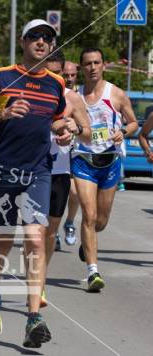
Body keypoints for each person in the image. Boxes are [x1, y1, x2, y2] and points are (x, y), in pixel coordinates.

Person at [0, 19, 70, 348]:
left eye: (47, 37)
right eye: (35, 36)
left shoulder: (56, 84)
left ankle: (33, 319)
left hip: (39, 171)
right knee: (3, 242)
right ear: (23, 41)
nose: (42, 41)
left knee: (36, 239)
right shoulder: (2, 77)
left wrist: (64, 131)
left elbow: (57, 121)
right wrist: (3, 113)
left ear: (52, 46)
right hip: (4, 171)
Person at [72, 47, 138, 292]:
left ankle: (88, 242)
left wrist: (123, 132)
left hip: (109, 162)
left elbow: (132, 122)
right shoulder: (74, 96)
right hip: (83, 160)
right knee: (88, 216)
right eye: (87, 63)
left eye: (96, 63)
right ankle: (93, 272)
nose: (92, 67)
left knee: (101, 220)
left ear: (103, 65)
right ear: (82, 67)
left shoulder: (116, 94)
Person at [38, 50, 90, 305]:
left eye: (59, 73)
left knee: (48, 233)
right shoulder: (30, 93)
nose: (56, 78)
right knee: (33, 232)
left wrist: (75, 128)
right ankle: (35, 279)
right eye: (50, 73)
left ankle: (40, 280)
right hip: (31, 170)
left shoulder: (72, 99)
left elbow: (89, 133)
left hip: (58, 172)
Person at [62, 60, 81, 245]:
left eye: (72, 75)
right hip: (54, 150)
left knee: (74, 193)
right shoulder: (54, 92)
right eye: (65, 75)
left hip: (74, 151)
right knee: (54, 195)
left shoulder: (80, 95)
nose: (69, 79)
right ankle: (54, 229)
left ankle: (69, 222)